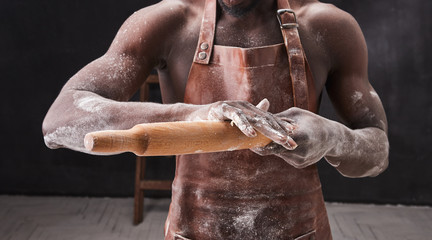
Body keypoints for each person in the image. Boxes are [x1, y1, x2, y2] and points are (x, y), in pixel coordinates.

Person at [42, 0, 389, 239]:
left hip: (300, 231)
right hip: (194, 230)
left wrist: (333, 138)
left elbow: (378, 151)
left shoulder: (327, 27)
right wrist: (198, 114)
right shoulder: (169, 21)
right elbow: (61, 119)